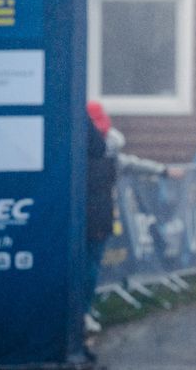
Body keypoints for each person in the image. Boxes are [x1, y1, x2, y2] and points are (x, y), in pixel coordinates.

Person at [84, 102, 118, 336]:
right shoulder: (111, 145)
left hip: (92, 214)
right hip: (100, 214)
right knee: (90, 265)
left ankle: (81, 312)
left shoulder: (76, 139)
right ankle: (83, 312)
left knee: (87, 265)